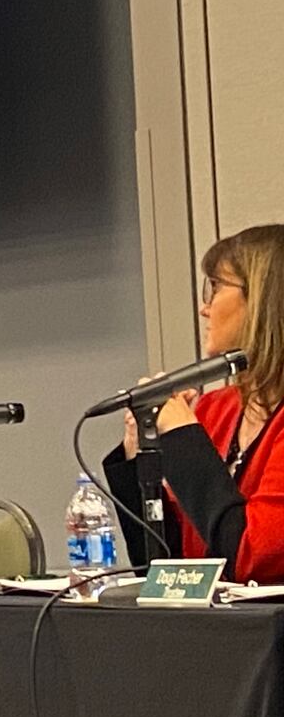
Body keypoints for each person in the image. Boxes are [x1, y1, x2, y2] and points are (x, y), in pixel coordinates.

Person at [106, 226, 284, 580]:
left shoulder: (194, 423)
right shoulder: (215, 409)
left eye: (215, 287)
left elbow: (254, 558)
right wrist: (140, 454)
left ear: (264, 300)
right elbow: (165, 565)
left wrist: (184, 438)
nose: (204, 308)